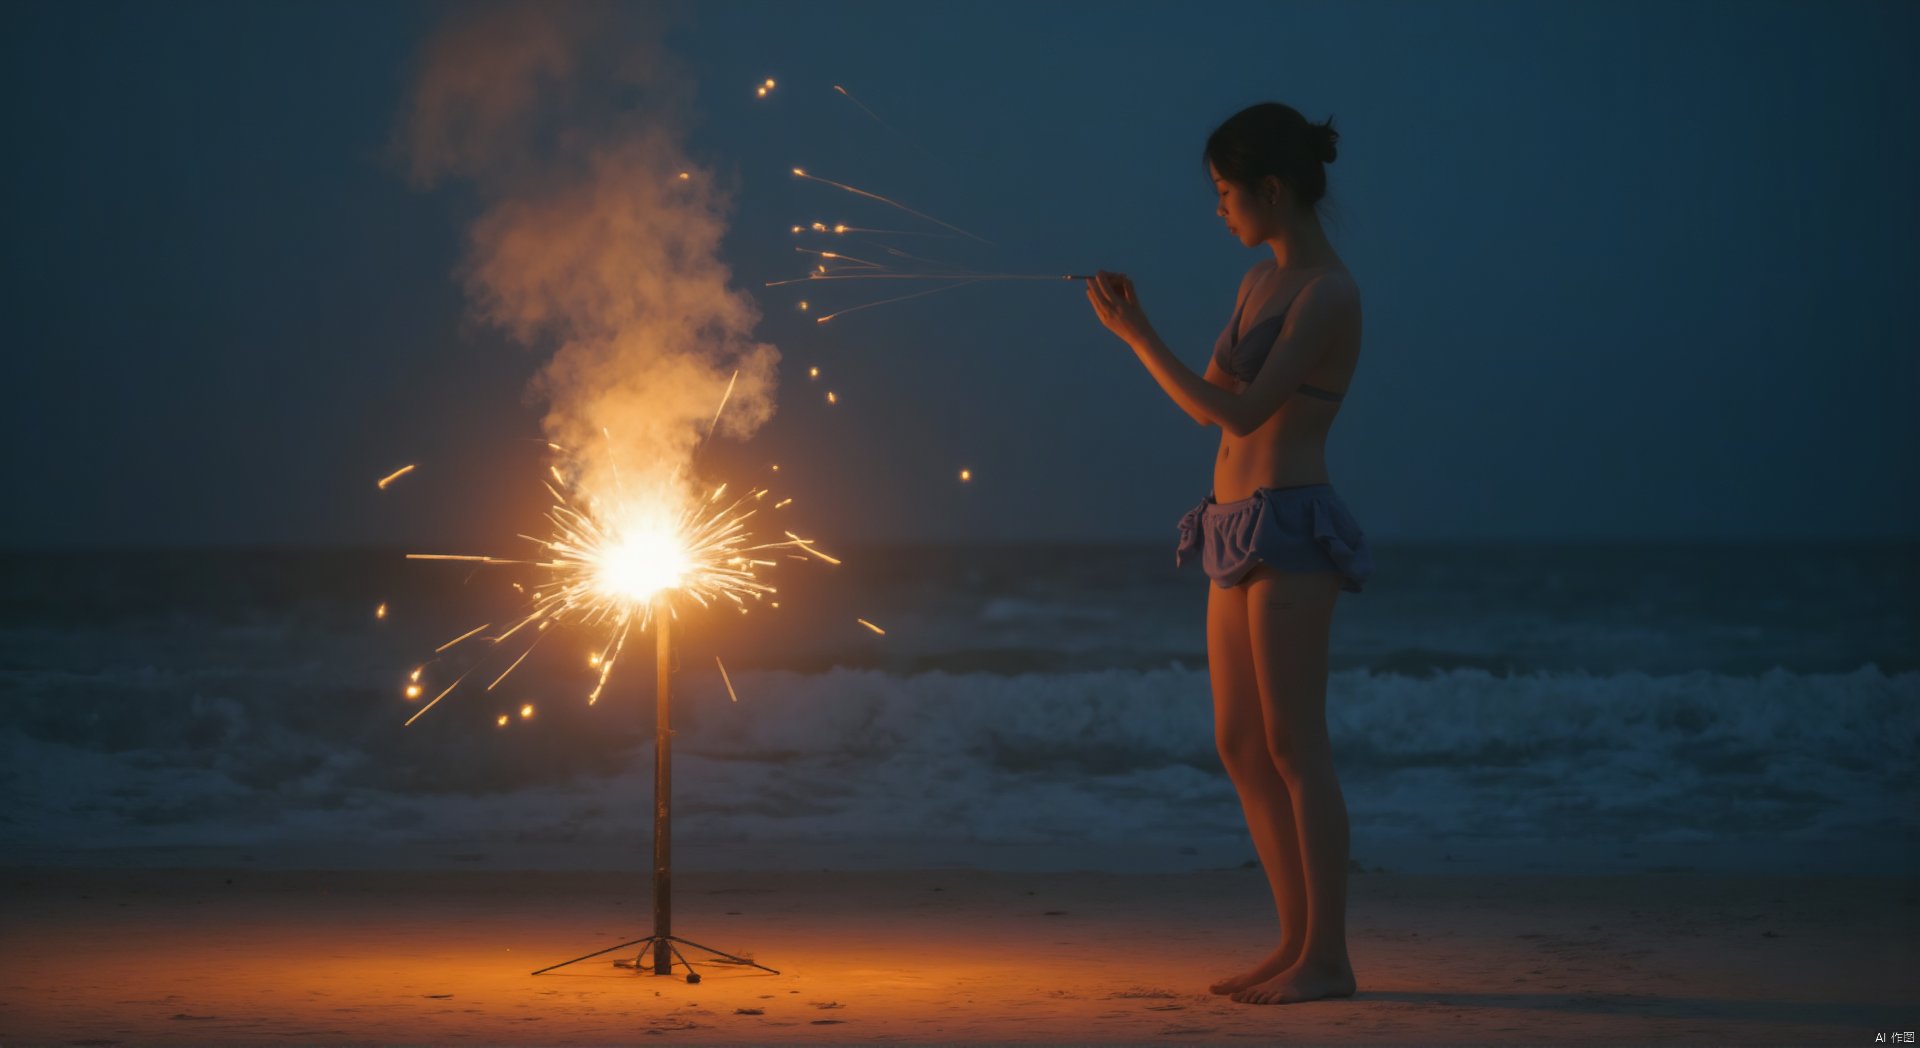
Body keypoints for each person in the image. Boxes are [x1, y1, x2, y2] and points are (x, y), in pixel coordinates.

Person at [1085, 101, 1371, 1006]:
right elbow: (1200, 401)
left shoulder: (1330, 294)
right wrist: (1138, 331)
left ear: (1271, 190)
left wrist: (1139, 336)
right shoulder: (1257, 285)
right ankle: (1294, 943)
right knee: (1240, 742)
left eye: (1224, 192)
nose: (1219, 210)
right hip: (1228, 522)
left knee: (1294, 741)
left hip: (1289, 521)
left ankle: (1330, 956)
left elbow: (1246, 414)